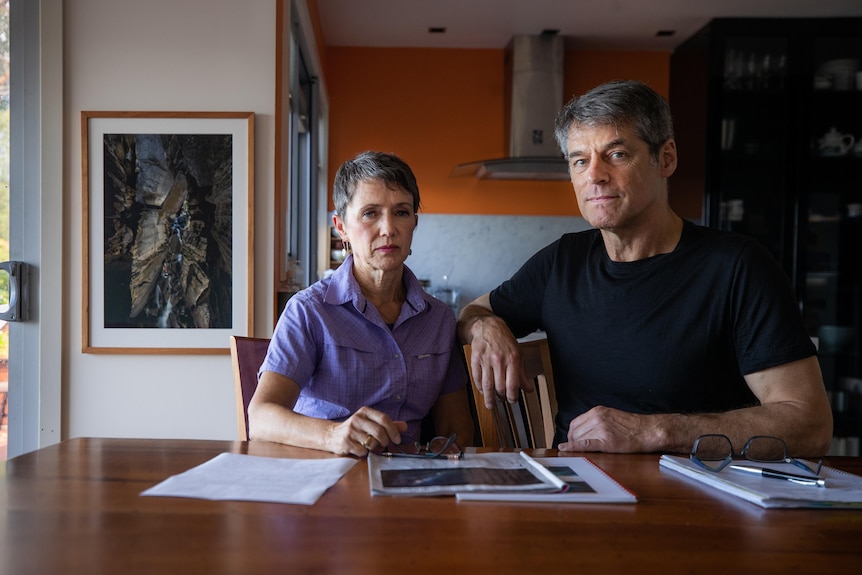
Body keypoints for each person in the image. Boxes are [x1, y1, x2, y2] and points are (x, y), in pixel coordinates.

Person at [457, 80, 832, 458]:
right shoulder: (561, 262)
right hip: (579, 492)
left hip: (699, 498)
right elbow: (473, 312)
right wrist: (486, 325)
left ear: (665, 158)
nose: (595, 175)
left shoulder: (738, 267)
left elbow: (810, 425)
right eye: (580, 160)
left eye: (616, 154)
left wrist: (658, 431)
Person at [249, 151, 474, 456]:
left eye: (402, 212)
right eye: (370, 213)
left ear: (414, 224)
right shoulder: (309, 311)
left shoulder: (440, 320)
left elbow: (455, 428)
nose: (388, 229)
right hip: (322, 477)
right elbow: (261, 418)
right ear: (341, 227)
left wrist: (441, 448)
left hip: (409, 483)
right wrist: (333, 435)